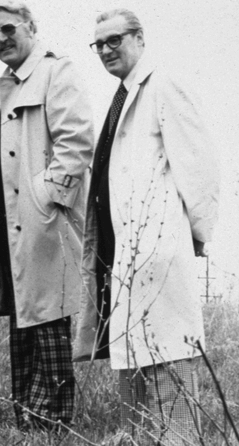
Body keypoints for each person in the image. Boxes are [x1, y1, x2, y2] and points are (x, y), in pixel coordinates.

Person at [73, 9, 220, 445]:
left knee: (170, 366)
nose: (104, 51)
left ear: (139, 37)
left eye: (113, 40)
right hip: (127, 259)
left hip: (160, 255)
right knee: (133, 375)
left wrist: (192, 235)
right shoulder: (123, 95)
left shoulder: (164, 86)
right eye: (98, 44)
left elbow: (200, 168)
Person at [0, 0, 94, 431]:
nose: (0, 40)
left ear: (30, 27)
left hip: (43, 219)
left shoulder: (57, 71)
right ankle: (28, 414)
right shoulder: (11, 82)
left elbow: (76, 145)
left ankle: (53, 419)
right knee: (25, 315)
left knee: (49, 315)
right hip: (12, 220)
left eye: (7, 30)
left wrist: (44, 201)